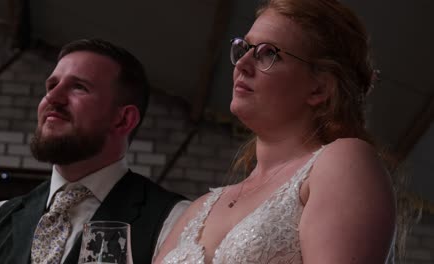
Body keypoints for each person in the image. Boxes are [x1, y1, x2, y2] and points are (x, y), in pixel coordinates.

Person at [154, 0, 396, 263]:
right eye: (244, 48)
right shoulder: (198, 209)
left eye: (268, 53)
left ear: (319, 88)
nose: (242, 64)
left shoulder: (344, 162)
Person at [0, 39, 189, 264]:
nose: (52, 98)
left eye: (79, 87)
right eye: (51, 86)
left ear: (123, 119)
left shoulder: (175, 222)